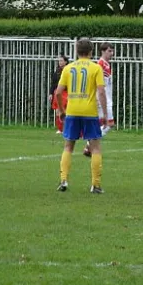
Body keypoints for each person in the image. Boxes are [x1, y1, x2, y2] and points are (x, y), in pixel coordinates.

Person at [55, 39, 107, 194]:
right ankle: (96, 185)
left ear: (77, 51)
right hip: (89, 112)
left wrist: (62, 110)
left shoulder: (69, 68)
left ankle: (64, 180)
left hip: (72, 111)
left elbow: (58, 92)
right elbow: (101, 92)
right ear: (91, 52)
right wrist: (104, 113)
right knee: (96, 147)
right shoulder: (95, 68)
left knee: (68, 146)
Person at [83, 42, 114, 157]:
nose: (112, 53)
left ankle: (89, 146)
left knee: (103, 124)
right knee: (109, 124)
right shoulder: (100, 64)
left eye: (112, 51)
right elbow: (98, 84)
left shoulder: (106, 64)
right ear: (103, 51)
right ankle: (89, 144)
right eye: (109, 51)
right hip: (102, 99)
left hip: (106, 98)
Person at [49, 55, 69, 133]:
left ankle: (66, 128)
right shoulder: (57, 72)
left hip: (66, 93)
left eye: (61, 61)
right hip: (58, 93)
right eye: (59, 61)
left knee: (66, 111)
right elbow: (53, 84)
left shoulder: (69, 70)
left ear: (66, 62)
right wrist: (51, 93)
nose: (60, 62)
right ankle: (60, 128)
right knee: (58, 111)